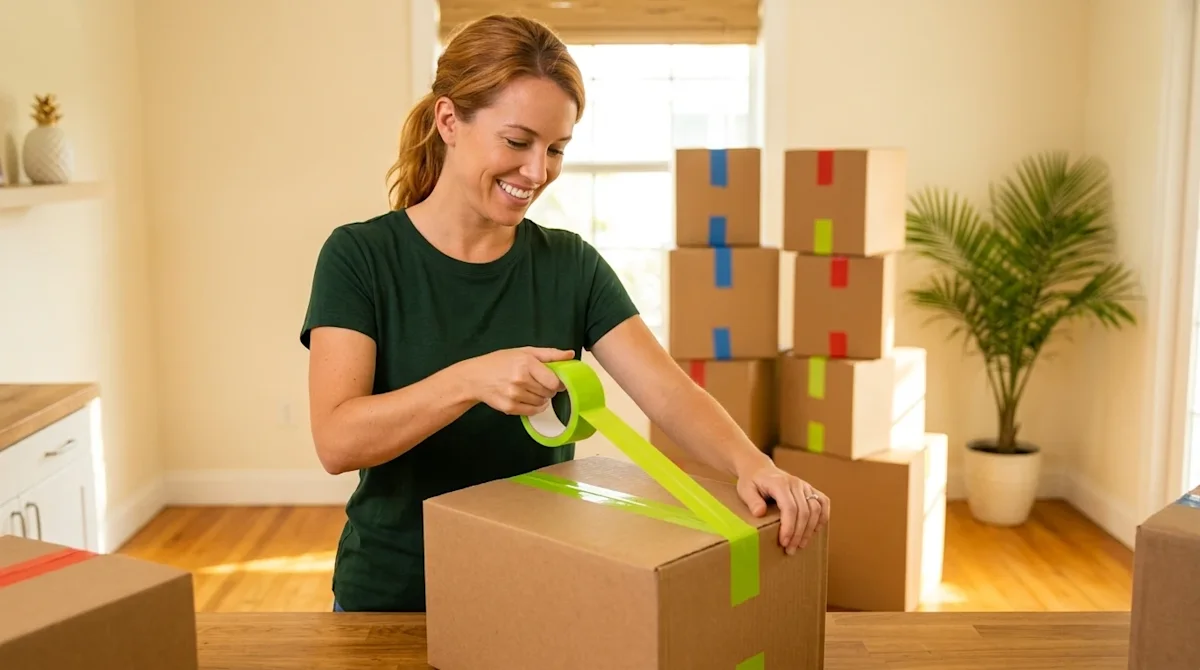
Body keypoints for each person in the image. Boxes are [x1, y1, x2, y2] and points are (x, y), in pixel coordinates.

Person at [300, 13, 830, 614]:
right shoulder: (361, 257)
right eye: (518, 141)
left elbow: (665, 393)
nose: (537, 172)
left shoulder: (570, 264)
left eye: (556, 149)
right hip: (396, 593)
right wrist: (471, 379)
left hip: (537, 586)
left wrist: (753, 464)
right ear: (449, 120)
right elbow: (337, 442)